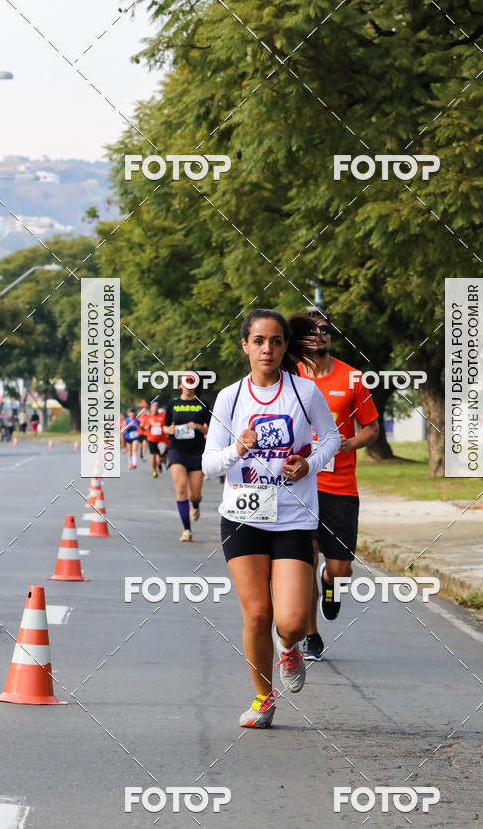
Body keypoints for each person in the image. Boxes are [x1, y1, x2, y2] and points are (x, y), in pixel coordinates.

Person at [202, 309, 340, 729]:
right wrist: (237, 451)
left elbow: (332, 437)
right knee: (258, 614)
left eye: (276, 341)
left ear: (284, 346)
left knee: (293, 621)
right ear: (244, 345)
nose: (268, 349)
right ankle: (263, 698)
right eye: (259, 341)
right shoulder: (230, 398)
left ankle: (291, 647)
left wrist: (310, 464)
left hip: (294, 518)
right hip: (243, 517)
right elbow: (209, 464)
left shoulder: (304, 392)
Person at [297, 310, 379, 661]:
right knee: (304, 561)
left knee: (340, 568)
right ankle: (311, 635)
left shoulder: (354, 378)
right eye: (312, 332)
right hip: (300, 486)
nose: (320, 336)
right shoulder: (289, 376)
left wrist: (348, 443)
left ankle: (331, 586)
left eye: (325, 330)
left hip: (340, 485)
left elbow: (372, 428)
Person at [164, 373, 209, 542]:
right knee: (181, 488)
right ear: (180, 386)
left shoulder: (203, 404)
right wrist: (168, 430)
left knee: (194, 495)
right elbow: (165, 427)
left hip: (197, 452)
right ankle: (187, 530)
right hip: (177, 450)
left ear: (196, 386)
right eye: (186, 383)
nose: (189, 386)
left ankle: (195, 505)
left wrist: (198, 427)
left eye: (192, 383)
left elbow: (212, 430)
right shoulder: (173, 404)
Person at [146, 401, 166, 478]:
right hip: (151, 439)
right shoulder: (148, 417)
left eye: (156, 406)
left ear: (158, 408)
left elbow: (166, 425)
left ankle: (160, 463)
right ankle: (154, 471)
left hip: (161, 439)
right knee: (153, 455)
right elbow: (145, 427)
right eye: (153, 407)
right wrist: (148, 426)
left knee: (161, 457)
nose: (154, 408)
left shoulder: (163, 416)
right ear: (151, 408)